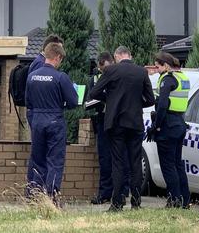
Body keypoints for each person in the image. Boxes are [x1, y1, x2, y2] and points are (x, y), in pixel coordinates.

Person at [89, 46, 155, 211]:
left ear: (116, 56)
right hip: (135, 123)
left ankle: (117, 202)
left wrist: (110, 99)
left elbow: (94, 92)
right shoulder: (141, 72)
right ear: (130, 55)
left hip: (116, 123)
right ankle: (136, 202)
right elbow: (150, 99)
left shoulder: (111, 70)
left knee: (118, 163)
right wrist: (138, 103)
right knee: (135, 163)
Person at [25, 42, 78, 206]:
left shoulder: (32, 76)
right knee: (54, 161)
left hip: (37, 121)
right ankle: (52, 199)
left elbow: (28, 102)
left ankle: (34, 197)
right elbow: (73, 102)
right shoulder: (60, 77)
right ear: (58, 57)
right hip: (55, 121)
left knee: (38, 159)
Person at [87, 52, 130, 204]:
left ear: (112, 63)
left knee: (122, 157)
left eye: (105, 69)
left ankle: (123, 192)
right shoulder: (95, 78)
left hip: (119, 120)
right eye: (101, 70)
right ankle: (105, 193)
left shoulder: (120, 75)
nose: (103, 72)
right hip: (103, 119)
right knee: (105, 158)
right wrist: (105, 100)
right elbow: (89, 99)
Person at [149, 52, 190, 209]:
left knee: (168, 165)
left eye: (158, 66)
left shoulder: (167, 79)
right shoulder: (182, 77)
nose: (157, 69)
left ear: (166, 66)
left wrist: (156, 126)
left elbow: (162, 105)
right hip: (179, 123)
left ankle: (174, 200)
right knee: (177, 164)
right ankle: (184, 200)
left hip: (168, 126)